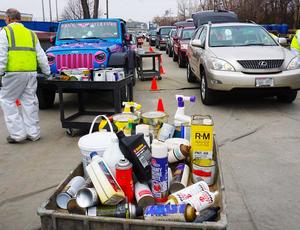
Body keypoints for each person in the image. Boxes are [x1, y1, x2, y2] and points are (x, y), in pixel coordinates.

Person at [0, 8, 50, 143]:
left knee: (8, 101)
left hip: (13, 73)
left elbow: (1, 55)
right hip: (30, 73)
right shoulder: (31, 34)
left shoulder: (5, 32)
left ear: (8, 19)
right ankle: (33, 133)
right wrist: (47, 72)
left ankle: (17, 135)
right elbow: (41, 54)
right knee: (29, 102)